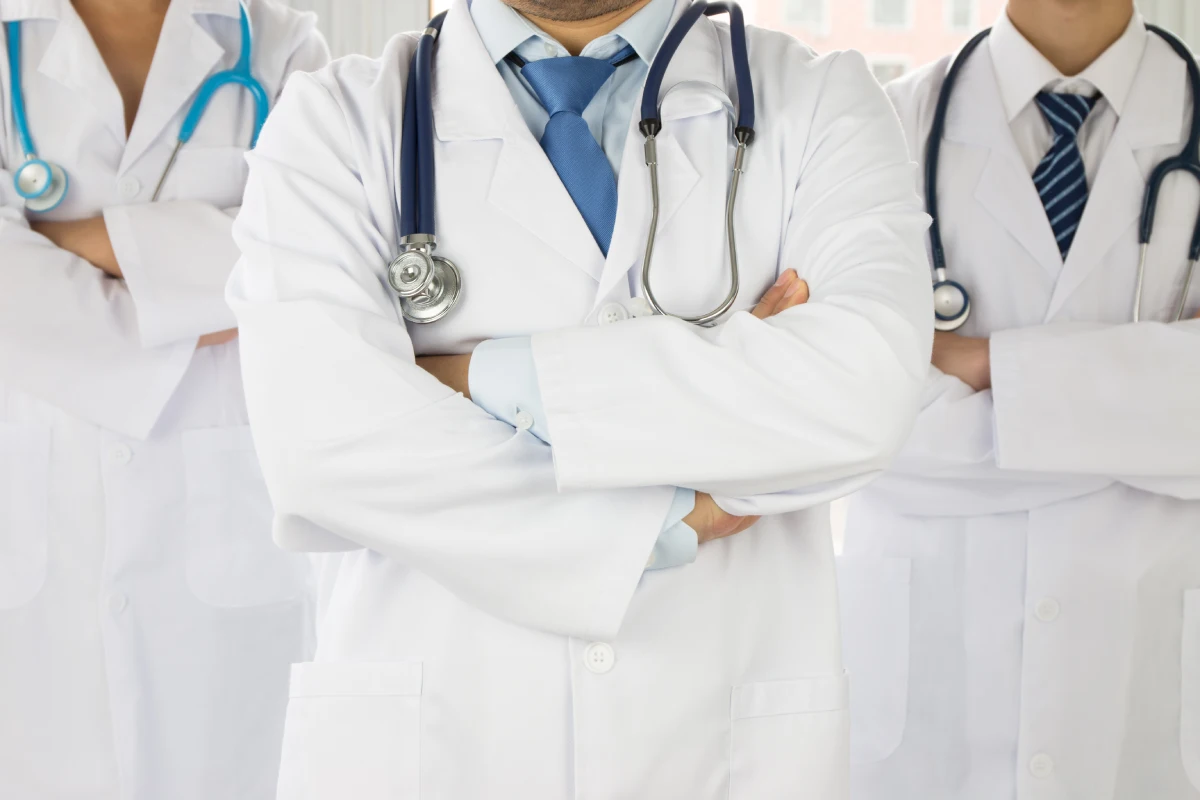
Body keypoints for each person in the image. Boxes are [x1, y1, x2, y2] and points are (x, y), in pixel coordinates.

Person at [227, 0, 932, 795]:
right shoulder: (333, 124)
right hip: (436, 747)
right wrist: (668, 515)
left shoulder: (822, 101)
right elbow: (325, 447)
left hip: (724, 741)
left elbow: (863, 386)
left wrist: (473, 377)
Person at [840, 1, 1200, 798]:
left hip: (1152, 697)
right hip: (921, 708)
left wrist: (975, 362)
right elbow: (852, 417)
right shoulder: (879, 132)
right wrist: (1155, 402)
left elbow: (907, 404)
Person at [0, 1, 328, 797]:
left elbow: (314, 254)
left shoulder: (284, 48)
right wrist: (211, 269)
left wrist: (58, 240)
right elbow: (264, 265)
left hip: (231, 538)